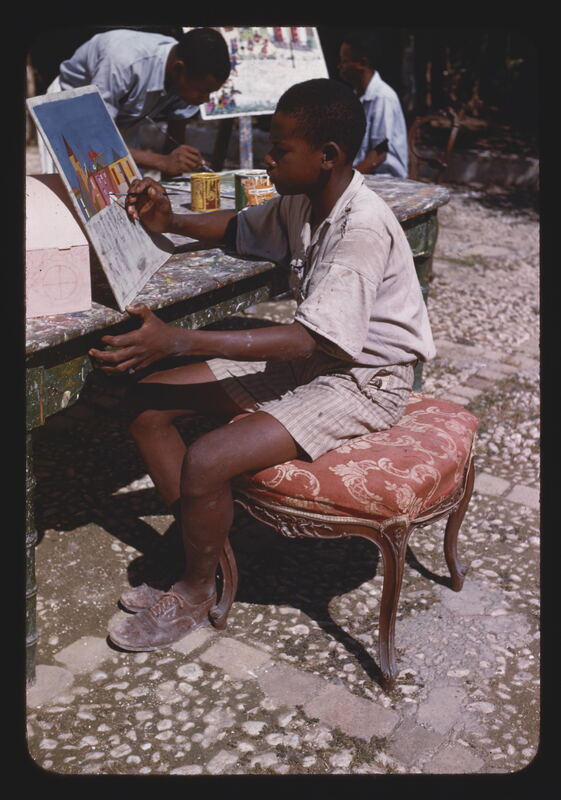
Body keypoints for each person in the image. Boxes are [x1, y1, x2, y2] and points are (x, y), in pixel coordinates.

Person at [88, 77, 435, 652]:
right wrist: (168, 220)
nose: (268, 158)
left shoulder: (361, 229)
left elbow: (304, 340)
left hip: (363, 380)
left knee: (207, 458)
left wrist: (180, 342)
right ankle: (200, 547)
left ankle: (196, 589)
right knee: (147, 405)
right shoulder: (305, 199)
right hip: (318, 358)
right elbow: (238, 228)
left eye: (280, 148)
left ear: (327, 156)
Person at [38, 27, 230, 178]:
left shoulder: (187, 78)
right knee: (72, 190)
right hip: (70, 109)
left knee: (126, 192)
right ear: (178, 70)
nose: (205, 99)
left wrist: (175, 173)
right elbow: (94, 141)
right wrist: (163, 162)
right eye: (203, 91)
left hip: (119, 119)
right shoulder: (124, 61)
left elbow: (174, 144)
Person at [338, 32, 409, 178]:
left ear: (362, 64)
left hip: (385, 179)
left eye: (345, 61)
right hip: (364, 175)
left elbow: (379, 154)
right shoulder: (356, 97)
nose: (340, 67)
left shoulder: (382, 97)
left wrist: (348, 180)